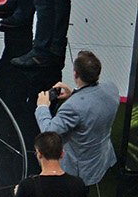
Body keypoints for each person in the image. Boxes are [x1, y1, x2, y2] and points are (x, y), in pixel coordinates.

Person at [37, 50, 117, 185]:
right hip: (100, 158)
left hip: (80, 170)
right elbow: (92, 104)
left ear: (75, 74)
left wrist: (42, 107)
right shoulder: (111, 88)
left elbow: (48, 131)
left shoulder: (72, 107)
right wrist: (75, 94)